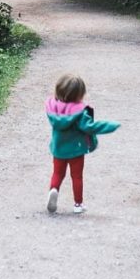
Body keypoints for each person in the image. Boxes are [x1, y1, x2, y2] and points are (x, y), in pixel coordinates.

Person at [45, 72, 120, 215]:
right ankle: (78, 204)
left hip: (58, 148)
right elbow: (89, 127)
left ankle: (53, 190)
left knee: (58, 173)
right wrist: (110, 126)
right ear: (80, 94)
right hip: (76, 150)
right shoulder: (80, 112)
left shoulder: (53, 108)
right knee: (77, 176)